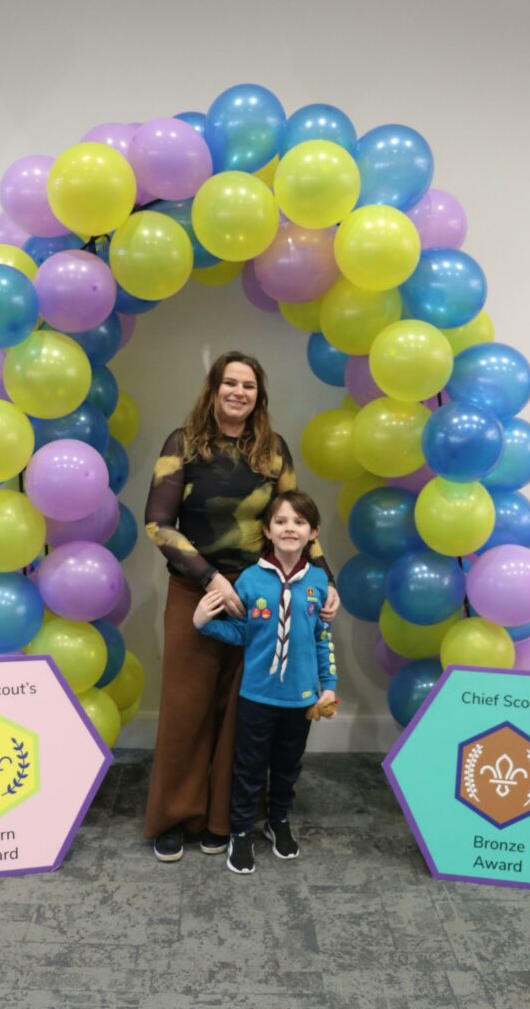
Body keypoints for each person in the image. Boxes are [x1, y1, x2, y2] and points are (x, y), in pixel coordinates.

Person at [144, 352, 339, 862]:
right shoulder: (182, 444)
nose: (238, 392)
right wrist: (210, 579)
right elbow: (158, 524)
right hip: (196, 591)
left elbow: (297, 519)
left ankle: (225, 819)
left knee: (242, 713)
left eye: (248, 385)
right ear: (213, 390)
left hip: (260, 591)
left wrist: (327, 580)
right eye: (229, 383)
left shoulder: (273, 451)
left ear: (259, 396)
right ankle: (175, 817)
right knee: (187, 709)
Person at [193, 490, 338, 875]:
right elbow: (242, 632)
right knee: (249, 766)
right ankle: (241, 830)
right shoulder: (249, 580)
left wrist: (329, 683)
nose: (290, 528)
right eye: (281, 521)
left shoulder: (319, 582)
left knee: (288, 766)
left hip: (302, 698)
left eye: (299, 522)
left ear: (313, 533)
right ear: (267, 530)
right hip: (257, 695)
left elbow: (322, 637)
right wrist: (204, 624)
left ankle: (279, 820)